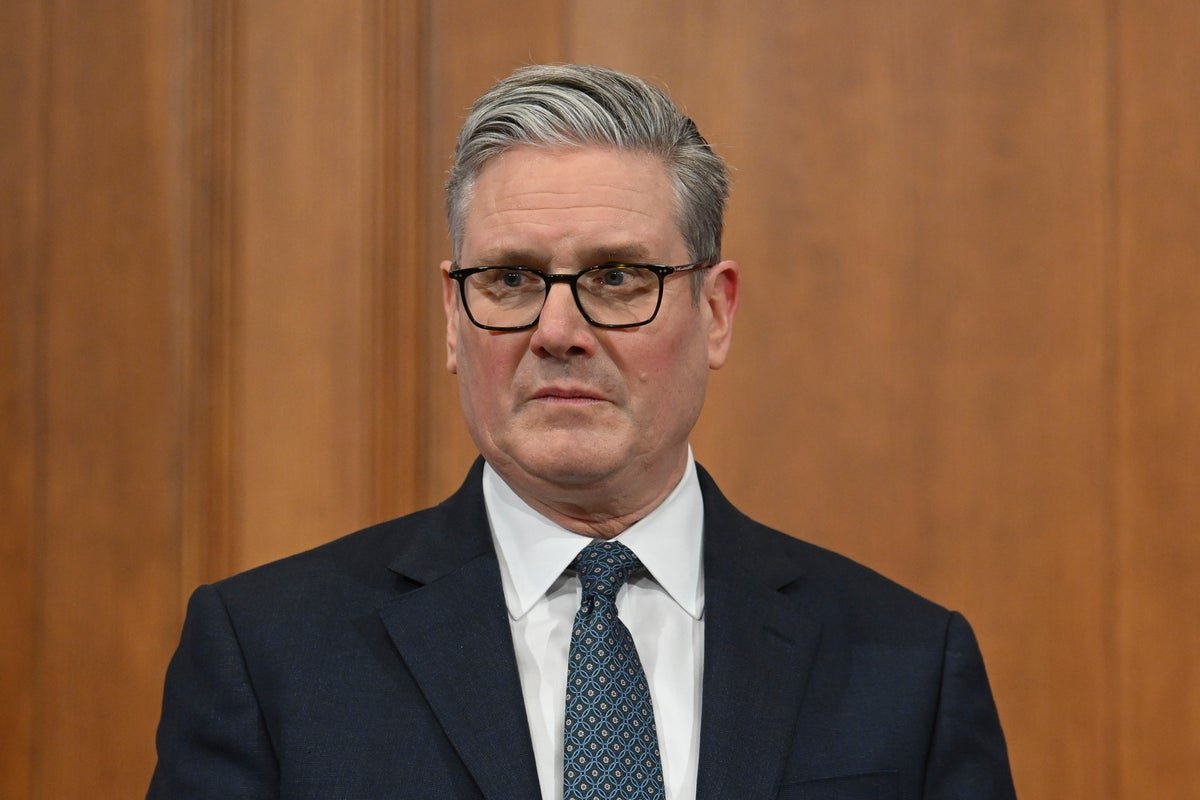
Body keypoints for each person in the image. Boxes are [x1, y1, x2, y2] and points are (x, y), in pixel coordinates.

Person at [149, 64, 1015, 799]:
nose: (558, 329)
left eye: (617, 277)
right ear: (453, 317)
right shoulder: (267, 660)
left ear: (715, 312)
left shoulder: (906, 668)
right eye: (512, 279)